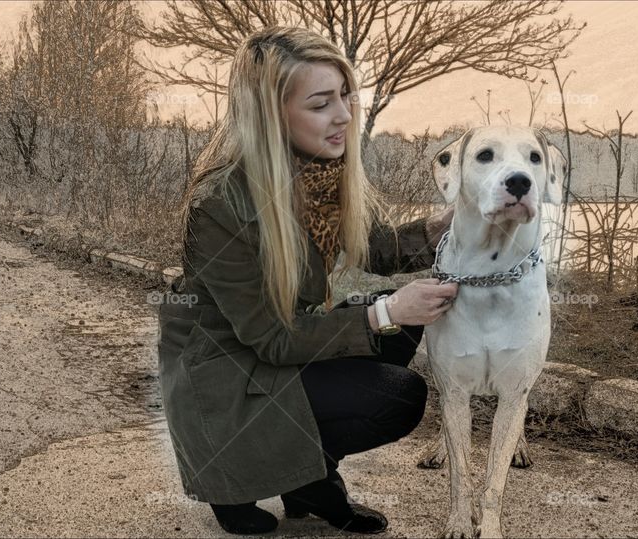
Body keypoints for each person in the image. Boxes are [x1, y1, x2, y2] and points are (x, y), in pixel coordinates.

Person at [157, 26, 457, 535]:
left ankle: (305, 479)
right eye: (321, 103)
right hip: (226, 371)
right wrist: (385, 313)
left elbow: (375, 247)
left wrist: (449, 223)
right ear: (271, 114)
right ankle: (235, 480)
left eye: (344, 95)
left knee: (398, 325)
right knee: (398, 392)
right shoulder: (220, 204)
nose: (343, 115)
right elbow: (272, 338)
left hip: (273, 348)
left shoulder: (318, 172)